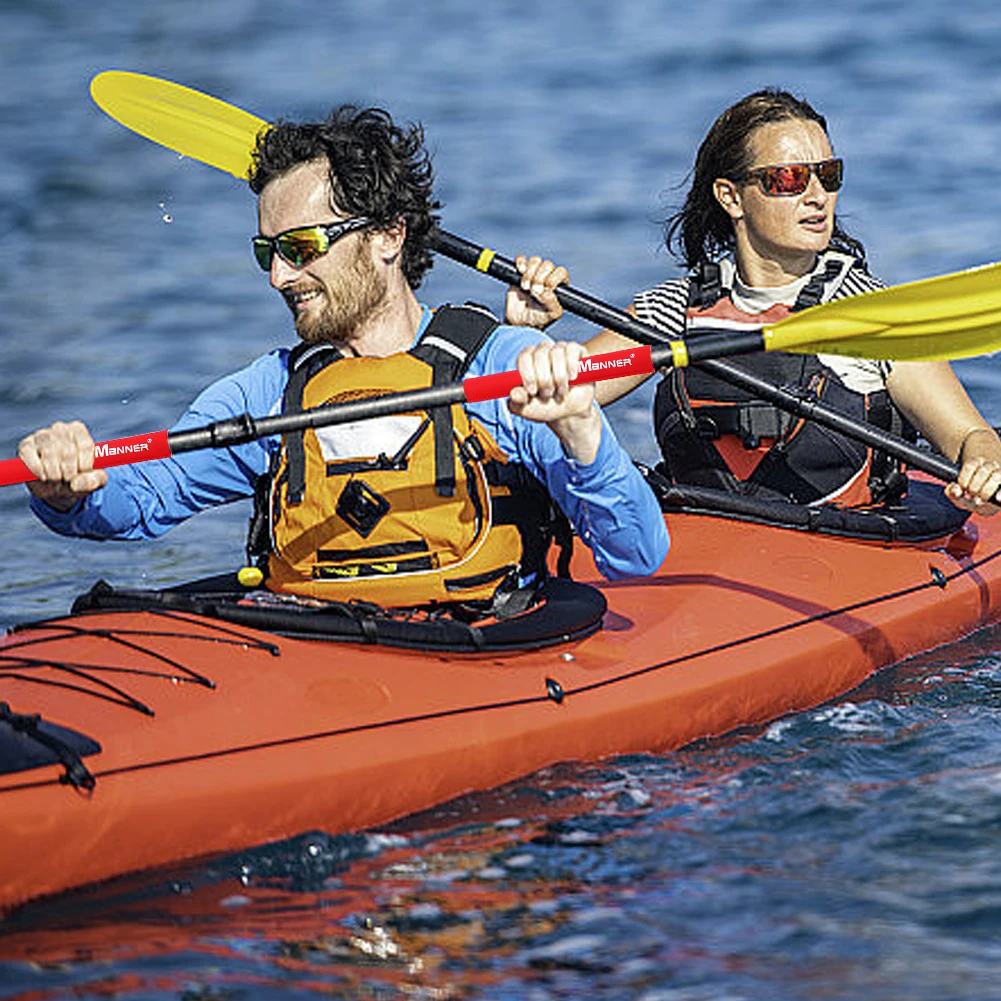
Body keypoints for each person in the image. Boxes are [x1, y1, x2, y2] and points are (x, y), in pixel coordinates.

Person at [18, 106, 668, 609]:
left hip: (475, 653)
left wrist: (581, 431)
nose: (277, 275)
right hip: (315, 653)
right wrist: (71, 487)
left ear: (387, 236)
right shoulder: (266, 392)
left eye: (299, 246)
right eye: (265, 251)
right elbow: (141, 499)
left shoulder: (506, 367)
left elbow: (635, 556)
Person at [510, 89, 1001, 513]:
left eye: (827, 175)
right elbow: (546, 395)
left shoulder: (873, 315)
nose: (816, 196)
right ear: (731, 197)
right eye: (788, 179)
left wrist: (982, 470)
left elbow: (970, 439)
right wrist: (527, 333)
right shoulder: (672, 311)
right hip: (701, 555)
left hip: (849, 554)